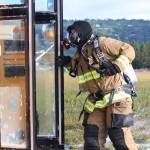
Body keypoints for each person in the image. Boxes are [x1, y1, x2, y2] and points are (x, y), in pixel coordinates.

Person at [57, 21, 138, 150]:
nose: (70, 36)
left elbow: (129, 50)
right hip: (97, 101)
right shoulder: (80, 54)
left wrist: (117, 66)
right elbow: (80, 71)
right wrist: (67, 62)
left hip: (118, 98)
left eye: (73, 33)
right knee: (91, 141)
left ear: (81, 33)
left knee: (119, 138)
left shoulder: (102, 43)